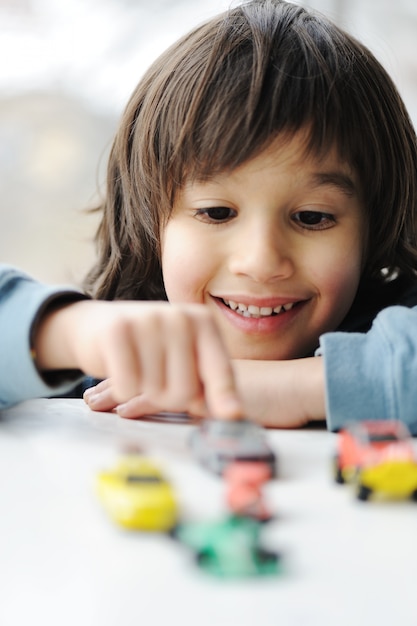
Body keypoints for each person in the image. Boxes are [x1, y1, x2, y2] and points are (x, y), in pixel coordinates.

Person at [78, 0, 417, 433]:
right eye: (217, 212)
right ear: (149, 222)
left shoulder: (394, 326)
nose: (260, 262)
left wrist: (293, 387)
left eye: (312, 217)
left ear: (376, 226)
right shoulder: (101, 354)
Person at [0, 264, 242, 418]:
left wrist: (276, 389)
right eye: (217, 213)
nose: (261, 263)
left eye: (283, 218)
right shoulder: (103, 367)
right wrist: (66, 332)